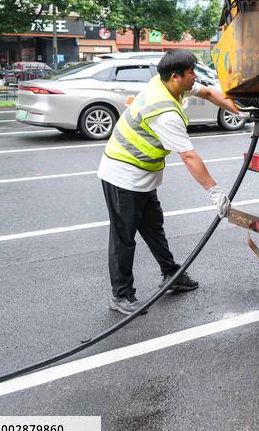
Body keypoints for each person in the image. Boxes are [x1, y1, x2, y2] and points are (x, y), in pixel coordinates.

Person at [98, 50, 240, 315]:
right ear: (176, 77)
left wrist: (242, 111)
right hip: (122, 175)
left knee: (154, 228)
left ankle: (172, 274)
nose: (195, 76)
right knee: (123, 237)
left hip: (142, 175)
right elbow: (188, 156)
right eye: (191, 73)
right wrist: (215, 191)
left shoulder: (168, 83)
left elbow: (209, 93)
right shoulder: (164, 113)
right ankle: (121, 296)